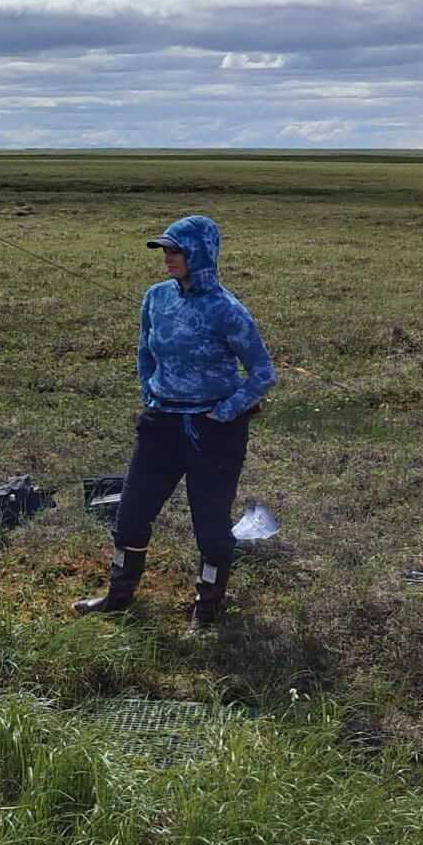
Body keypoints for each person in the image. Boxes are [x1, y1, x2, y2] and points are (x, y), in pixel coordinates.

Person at [75, 214, 275, 629]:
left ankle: (207, 611)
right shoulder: (156, 298)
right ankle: (118, 595)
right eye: (165, 250)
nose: (168, 258)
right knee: (131, 513)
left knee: (210, 525)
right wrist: (150, 391)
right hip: (160, 424)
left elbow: (262, 373)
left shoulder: (227, 310)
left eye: (176, 250)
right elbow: (145, 351)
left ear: (201, 253)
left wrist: (224, 411)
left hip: (213, 433)